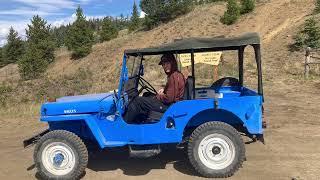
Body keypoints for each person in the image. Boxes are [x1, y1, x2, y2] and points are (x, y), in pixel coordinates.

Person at [124, 53, 185, 123]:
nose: (165, 66)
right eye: (163, 64)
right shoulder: (175, 74)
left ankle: (125, 124)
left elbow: (169, 98)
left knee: (137, 101)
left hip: (170, 107)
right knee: (146, 94)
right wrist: (164, 91)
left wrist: (159, 96)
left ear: (172, 63)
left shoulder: (173, 76)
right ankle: (142, 120)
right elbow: (173, 91)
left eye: (167, 63)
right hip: (172, 104)